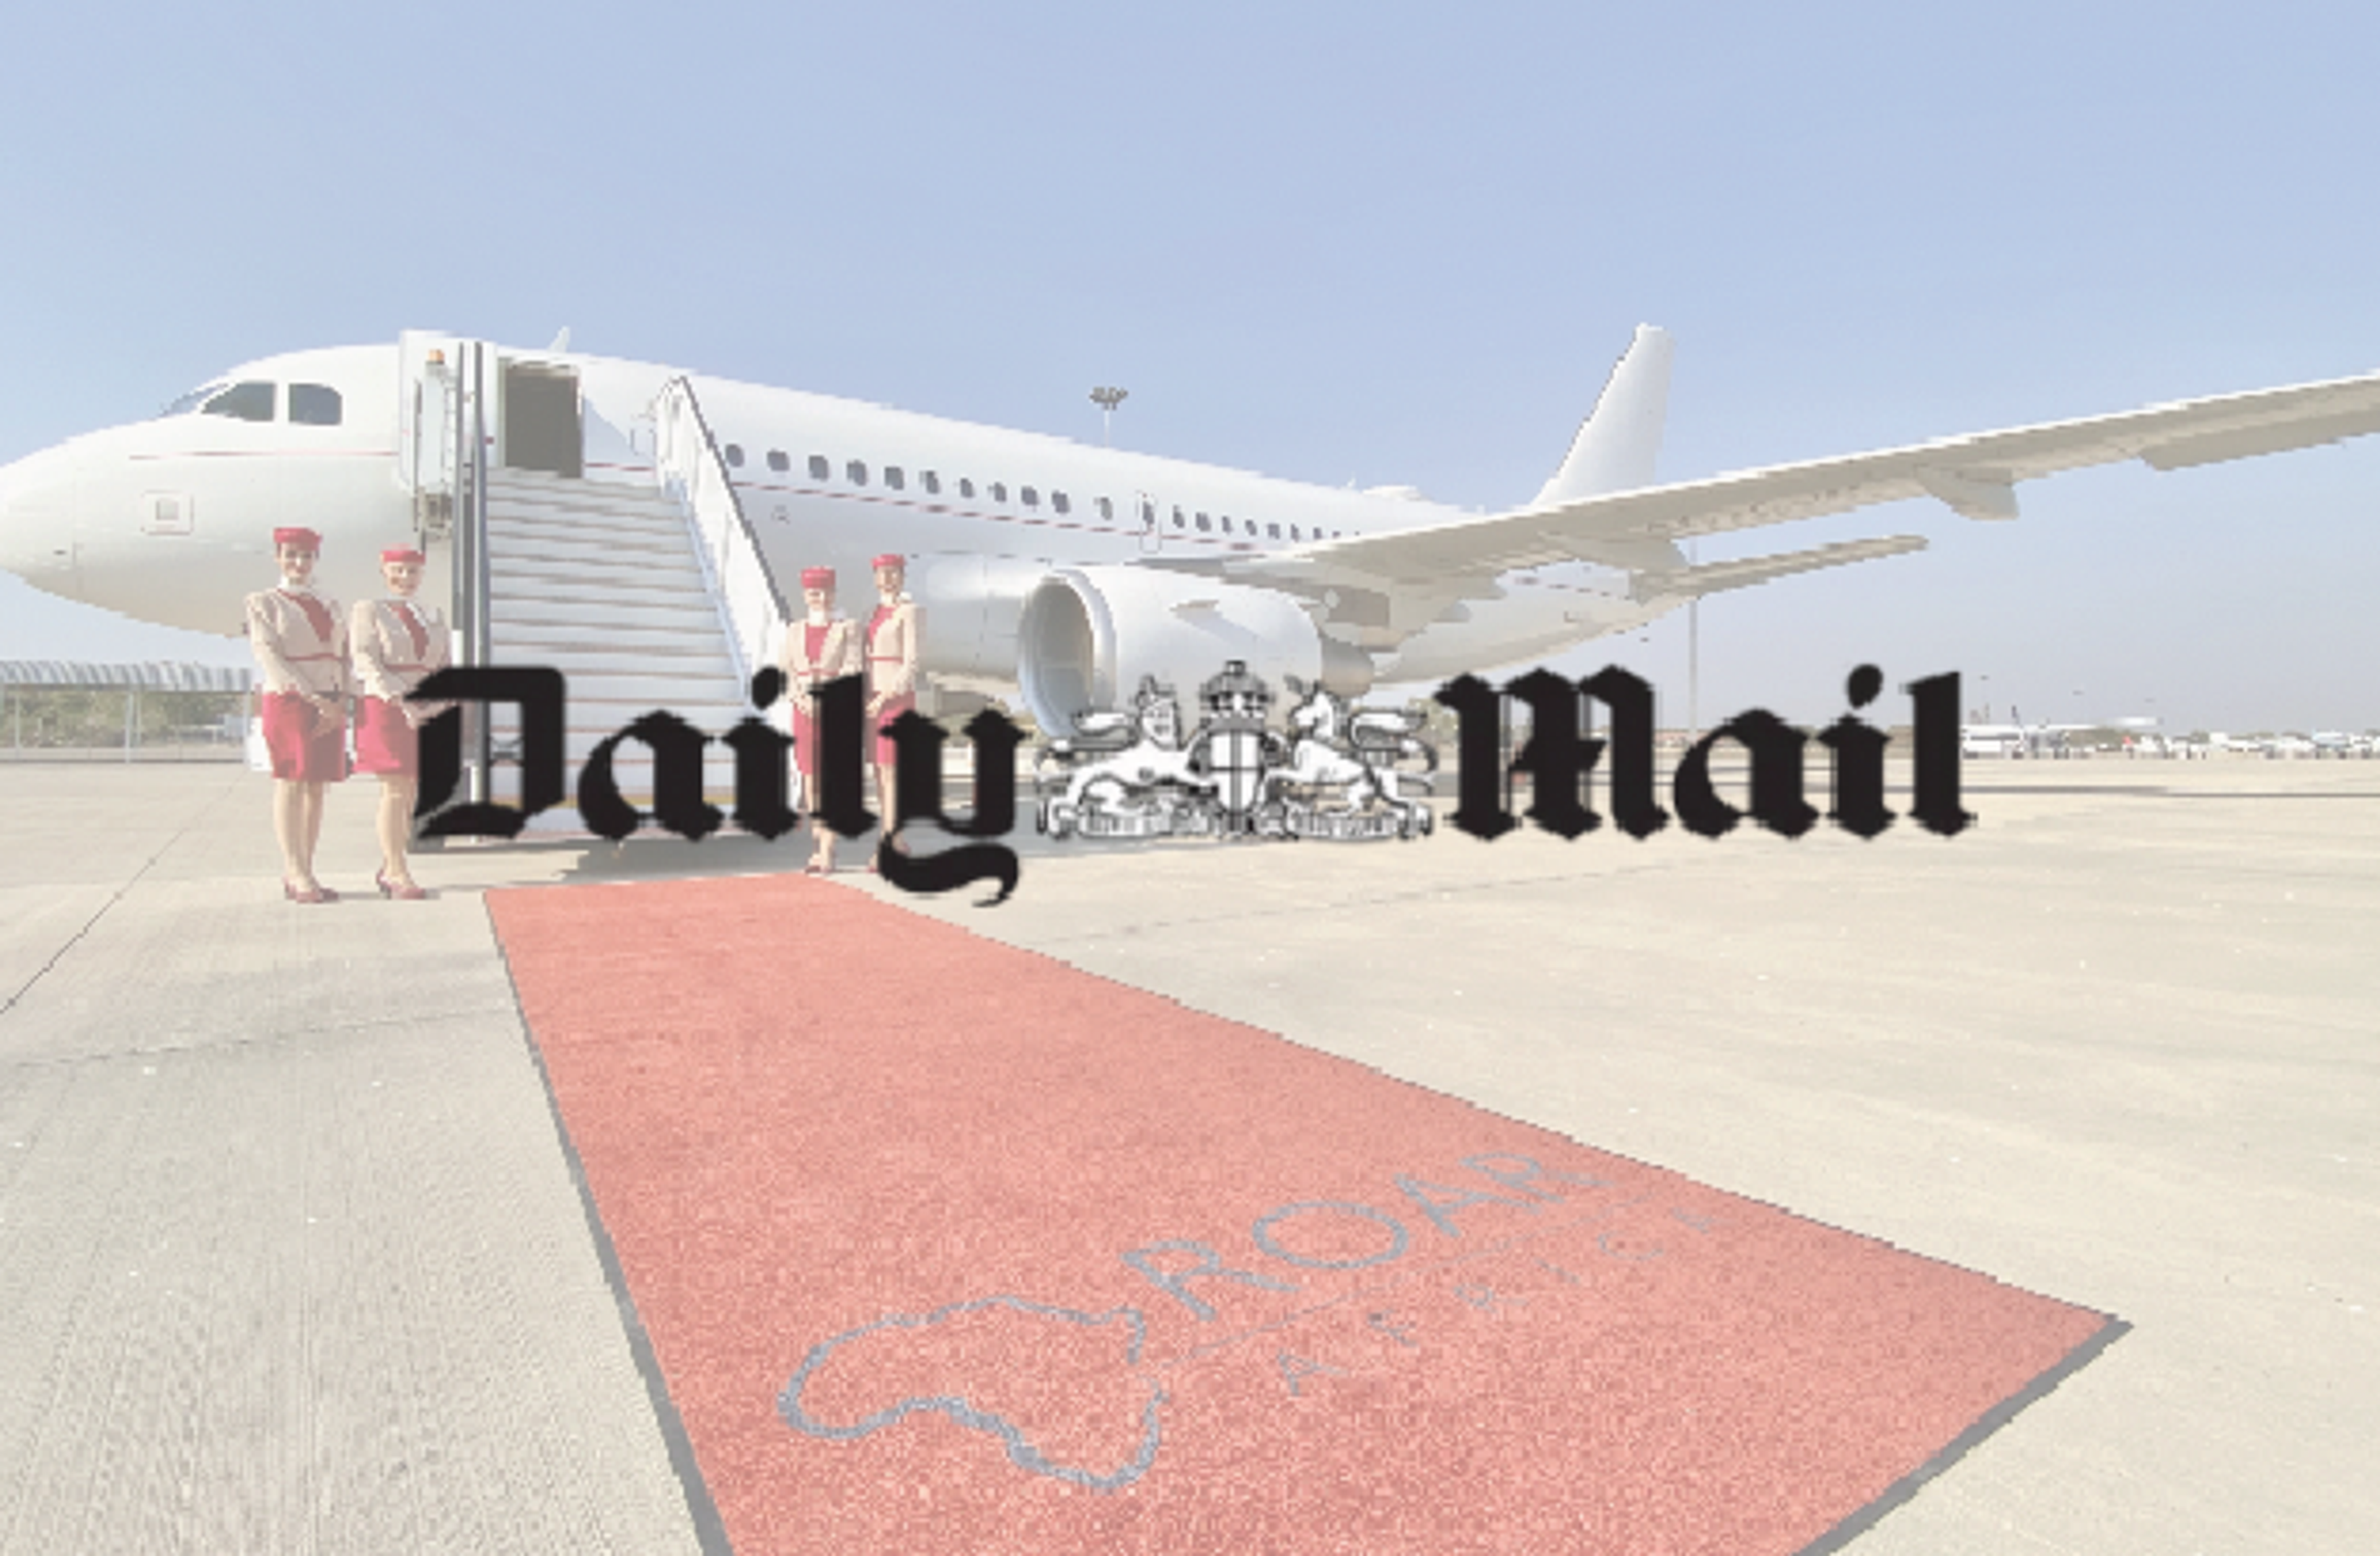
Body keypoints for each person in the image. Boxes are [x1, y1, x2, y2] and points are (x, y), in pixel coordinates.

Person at [245, 526, 350, 903]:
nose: (299, 563)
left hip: (330, 700)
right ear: (278, 557)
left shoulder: (330, 604)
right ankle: (294, 870)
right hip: (290, 699)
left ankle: (308, 868)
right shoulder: (263, 602)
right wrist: (313, 698)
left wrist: (340, 700)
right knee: (291, 782)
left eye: (306, 556)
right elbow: (268, 654)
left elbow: (343, 655)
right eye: (291, 554)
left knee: (317, 786)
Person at [350, 546, 449, 900]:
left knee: (410, 790)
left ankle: (392, 864)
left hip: (425, 708)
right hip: (387, 706)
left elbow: (444, 665)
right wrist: (402, 700)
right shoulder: (370, 610)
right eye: (398, 570)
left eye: (412, 571)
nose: (406, 578)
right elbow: (365, 658)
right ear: (384, 572)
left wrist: (439, 703)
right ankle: (395, 869)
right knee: (394, 788)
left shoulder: (434, 615)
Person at [778, 565, 859, 873]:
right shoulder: (794, 631)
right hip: (804, 713)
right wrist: (802, 700)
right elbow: (787, 673)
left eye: (826, 593)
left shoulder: (848, 628)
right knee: (811, 781)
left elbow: (852, 668)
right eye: (815, 594)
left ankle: (828, 849)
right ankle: (817, 844)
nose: (821, 599)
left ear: (834, 594)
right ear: (805, 596)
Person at [863, 552, 920, 871]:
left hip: (895, 699)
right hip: (873, 699)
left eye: (893, 573)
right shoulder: (873, 613)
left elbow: (911, 663)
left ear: (903, 577)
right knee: (879, 774)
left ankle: (887, 845)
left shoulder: (909, 612)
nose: (887, 579)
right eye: (882, 573)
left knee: (891, 772)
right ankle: (895, 838)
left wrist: (885, 696)